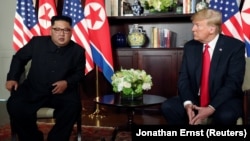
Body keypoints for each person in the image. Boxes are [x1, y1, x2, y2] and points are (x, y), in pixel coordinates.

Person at [5, 15, 85, 141]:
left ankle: (56, 138)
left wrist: (67, 82)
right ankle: (33, 138)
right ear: (50, 30)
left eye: (65, 30)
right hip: (34, 88)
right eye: (57, 29)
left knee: (73, 107)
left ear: (71, 32)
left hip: (61, 92)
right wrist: (12, 77)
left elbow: (79, 74)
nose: (61, 34)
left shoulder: (78, 51)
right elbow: (19, 58)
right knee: (14, 104)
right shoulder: (37, 42)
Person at [161, 8, 246, 125]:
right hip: (196, 99)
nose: (193, 29)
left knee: (226, 116)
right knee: (169, 106)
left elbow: (233, 82)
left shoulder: (234, 47)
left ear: (212, 29)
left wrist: (211, 107)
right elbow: (183, 78)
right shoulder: (190, 47)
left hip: (223, 100)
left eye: (197, 25)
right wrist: (188, 104)